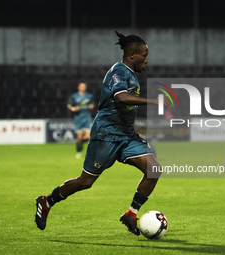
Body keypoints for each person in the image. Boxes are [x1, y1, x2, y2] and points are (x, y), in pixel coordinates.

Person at [35, 31, 170, 236]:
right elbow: (121, 98)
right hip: (105, 135)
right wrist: (153, 102)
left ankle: (131, 214)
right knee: (85, 182)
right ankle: (47, 201)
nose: (147, 61)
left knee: (154, 170)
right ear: (132, 54)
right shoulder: (118, 71)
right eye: (144, 56)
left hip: (126, 135)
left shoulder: (131, 75)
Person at [67, 82, 94, 159]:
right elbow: (69, 105)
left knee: (88, 137)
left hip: (87, 117)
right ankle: (78, 152)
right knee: (79, 137)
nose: (83, 88)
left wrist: (91, 106)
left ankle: (87, 151)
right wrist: (73, 108)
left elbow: (92, 105)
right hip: (78, 118)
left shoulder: (89, 96)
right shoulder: (74, 96)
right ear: (78, 87)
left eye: (84, 86)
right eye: (81, 86)